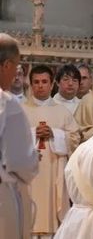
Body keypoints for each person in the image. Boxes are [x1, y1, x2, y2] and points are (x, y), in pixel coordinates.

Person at [22, 65, 80, 238]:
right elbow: (8, 140)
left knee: (52, 219)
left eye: (44, 82)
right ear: (30, 84)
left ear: (52, 83)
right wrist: (33, 134)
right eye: (36, 82)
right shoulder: (20, 110)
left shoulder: (62, 112)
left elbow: (75, 139)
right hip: (28, 175)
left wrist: (55, 134)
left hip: (54, 171)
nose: (40, 86)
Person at [0, 33, 38, 239]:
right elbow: (20, 161)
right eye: (15, 67)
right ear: (6, 65)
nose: (15, 73)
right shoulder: (7, 103)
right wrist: (33, 162)